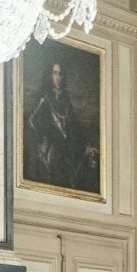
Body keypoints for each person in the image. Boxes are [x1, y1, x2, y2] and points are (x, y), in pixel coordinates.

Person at [25, 61, 94, 192]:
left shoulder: (65, 98)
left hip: (66, 142)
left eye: (60, 74)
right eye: (55, 73)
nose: (58, 77)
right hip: (52, 143)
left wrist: (86, 144)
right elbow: (32, 121)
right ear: (49, 75)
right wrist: (44, 137)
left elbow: (73, 122)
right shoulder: (44, 98)